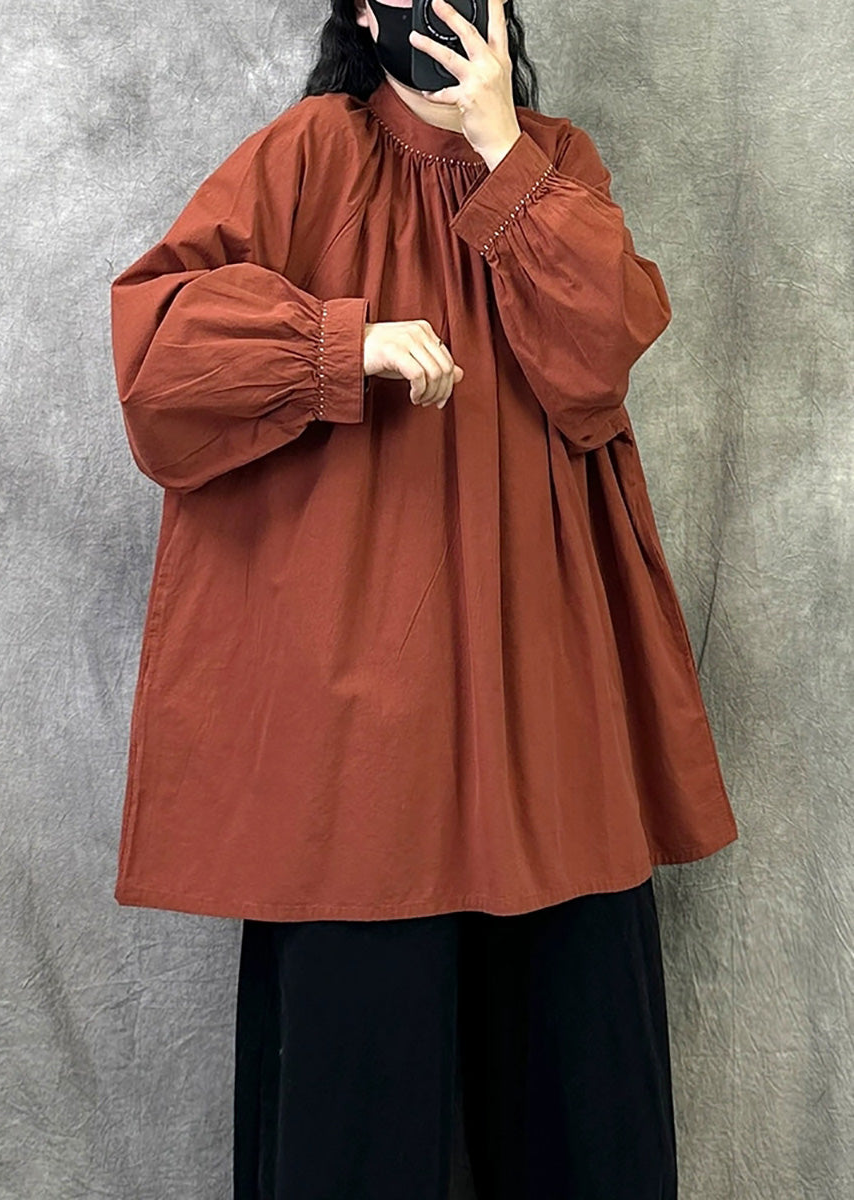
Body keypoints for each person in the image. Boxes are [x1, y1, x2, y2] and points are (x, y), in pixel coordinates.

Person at [109, 1, 739, 1196]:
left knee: (582, 1098)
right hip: (358, 722)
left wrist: (503, 151)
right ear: (361, 8)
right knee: (356, 1113)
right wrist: (335, 343)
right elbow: (159, 358)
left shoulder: (555, 160)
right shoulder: (308, 152)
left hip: (544, 689)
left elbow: (599, 354)